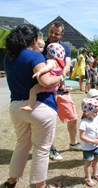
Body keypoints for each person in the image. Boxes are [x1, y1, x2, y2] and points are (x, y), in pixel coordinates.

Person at [4, 24, 62, 188]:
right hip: (40, 107)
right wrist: (61, 77)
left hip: (16, 107)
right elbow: (45, 81)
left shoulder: (9, 57)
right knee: (42, 149)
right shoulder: (35, 56)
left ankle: (11, 181)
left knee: (22, 144)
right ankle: (40, 186)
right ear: (33, 39)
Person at [43, 21, 81, 161]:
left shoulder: (65, 48)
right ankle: (51, 149)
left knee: (73, 117)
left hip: (62, 90)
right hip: (46, 91)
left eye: (56, 33)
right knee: (48, 122)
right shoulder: (42, 47)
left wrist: (61, 77)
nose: (53, 35)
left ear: (61, 34)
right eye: (51, 32)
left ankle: (73, 142)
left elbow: (67, 66)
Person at [20, 43, 65, 111]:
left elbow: (47, 67)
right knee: (55, 95)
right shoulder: (60, 64)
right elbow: (61, 76)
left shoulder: (51, 61)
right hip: (55, 86)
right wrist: (62, 85)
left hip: (48, 86)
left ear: (49, 53)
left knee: (33, 91)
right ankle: (56, 106)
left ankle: (29, 105)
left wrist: (40, 71)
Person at [79, 98, 98, 187]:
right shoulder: (84, 123)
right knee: (88, 164)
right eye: (94, 111)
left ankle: (95, 173)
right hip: (88, 148)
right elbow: (81, 137)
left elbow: (97, 130)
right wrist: (93, 141)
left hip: (96, 147)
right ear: (86, 111)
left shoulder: (95, 119)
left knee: (95, 161)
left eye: (97, 111)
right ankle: (88, 178)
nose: (96, 113)